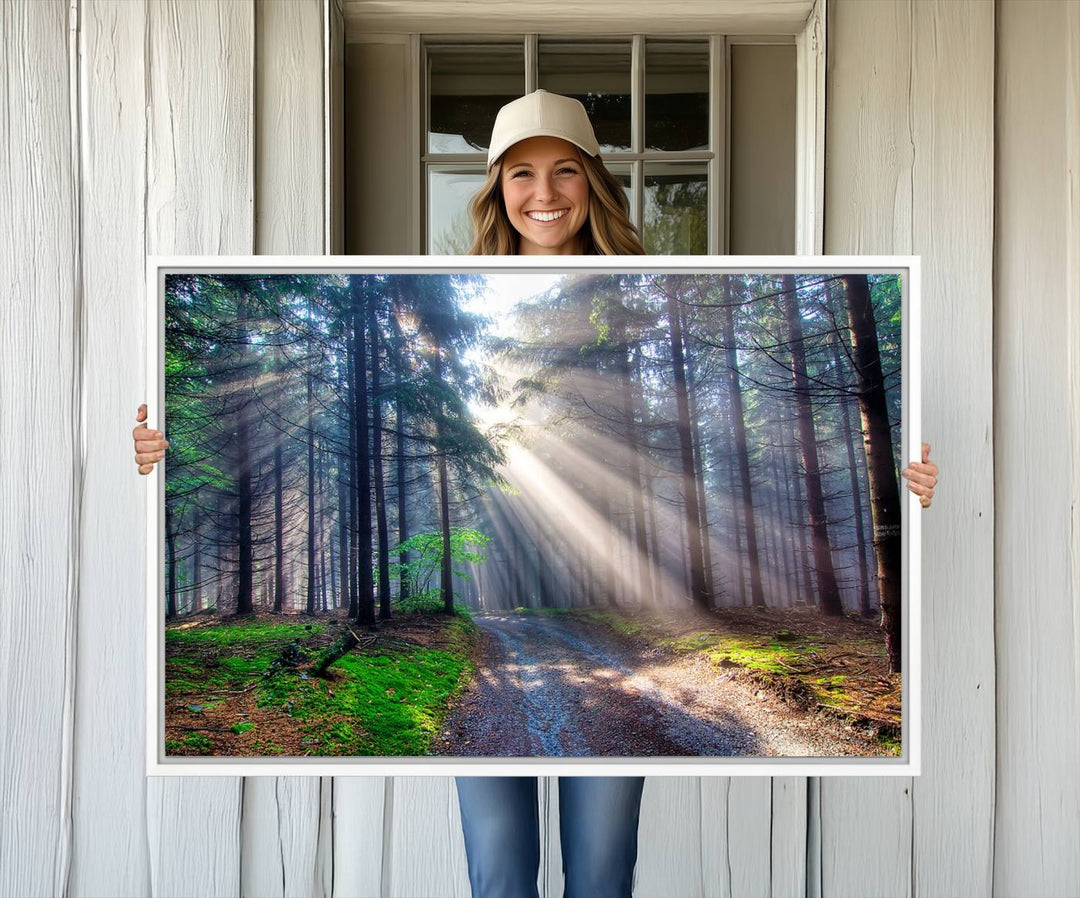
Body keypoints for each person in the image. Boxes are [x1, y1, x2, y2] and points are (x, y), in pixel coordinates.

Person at [132, 90, 940, 898]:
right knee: (500, 876)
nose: (544, 194)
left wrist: (905, 473)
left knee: (601, 875)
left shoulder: (649, 286)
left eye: (564, 171)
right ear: (495, 188)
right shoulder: (443, 297)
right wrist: (159, 450)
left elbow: (714, 439)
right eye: (521, 173)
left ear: (593, 181)